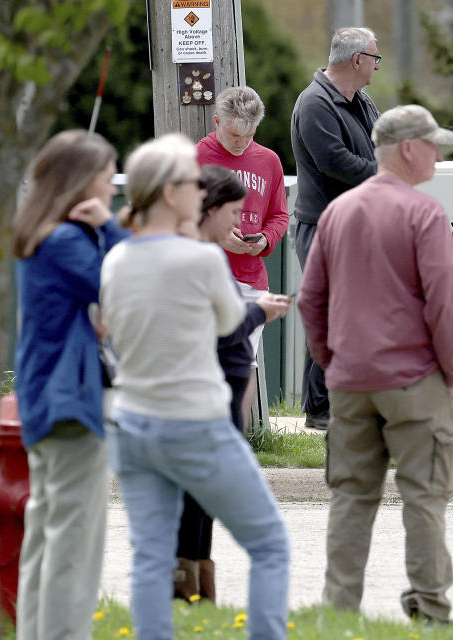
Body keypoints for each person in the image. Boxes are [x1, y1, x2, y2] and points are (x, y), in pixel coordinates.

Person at [101, 134, 290, 639]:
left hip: (131, 422)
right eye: (189, 181)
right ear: (169, 193)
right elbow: (232, 321)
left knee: (151, 557)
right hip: (194, 422)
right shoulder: (203, 261)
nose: (198, 188)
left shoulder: (117, 258)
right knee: (269, 543)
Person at [297, 104, 453, 623]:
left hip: (350, 379)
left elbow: (310, 300)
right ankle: (430, 608)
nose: (437, 155)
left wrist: (331, 361)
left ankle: (339, 611)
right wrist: (451, 372)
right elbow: (443, 300)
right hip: (414, 379)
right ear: (409, 149)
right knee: (424, 497)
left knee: (350, 497)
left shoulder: (338, 212)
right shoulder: (423, 212)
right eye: (432, 145)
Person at [12, 129, 129, 640]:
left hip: (46, 398)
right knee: (74, 542)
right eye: (106, 179)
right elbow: (124, 280)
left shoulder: (41, 236)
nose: (111, 190)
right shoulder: (64, 241)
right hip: (71, 401)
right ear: (82, 184)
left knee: (46, 536)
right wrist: (110, 229)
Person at [172, 164, 291, 602]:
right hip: (203, 402)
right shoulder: (197, 258)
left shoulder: (204, 256)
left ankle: (195, 594)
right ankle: (186, 593)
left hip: (215, 402)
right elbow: (222, 328)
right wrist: (261, 311)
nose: (239, 221)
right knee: (206, 508)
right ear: (211, 208)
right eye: (234, 211)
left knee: (201, 505)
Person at [290, 26, 381, 430]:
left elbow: (380, 144)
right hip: (323, 226)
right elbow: (334, 161)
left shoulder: (362, 101)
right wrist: (388, 175)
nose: (378, 65)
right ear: (357, 59)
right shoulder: (315, 103)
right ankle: (320, 409)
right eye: (375, 57)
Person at [196, 86, 289, 428]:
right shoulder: (196, 158)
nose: (241, 142)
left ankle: (238, 436)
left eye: (249, 135)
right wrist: (221, 238)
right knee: (205, 359)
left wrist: (264, 239)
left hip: (251, 277)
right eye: (234, 134)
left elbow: (280, 215)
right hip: (206, 275)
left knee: (244, 363)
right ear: (217, 121)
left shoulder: (268, 160)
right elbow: (181, 217)